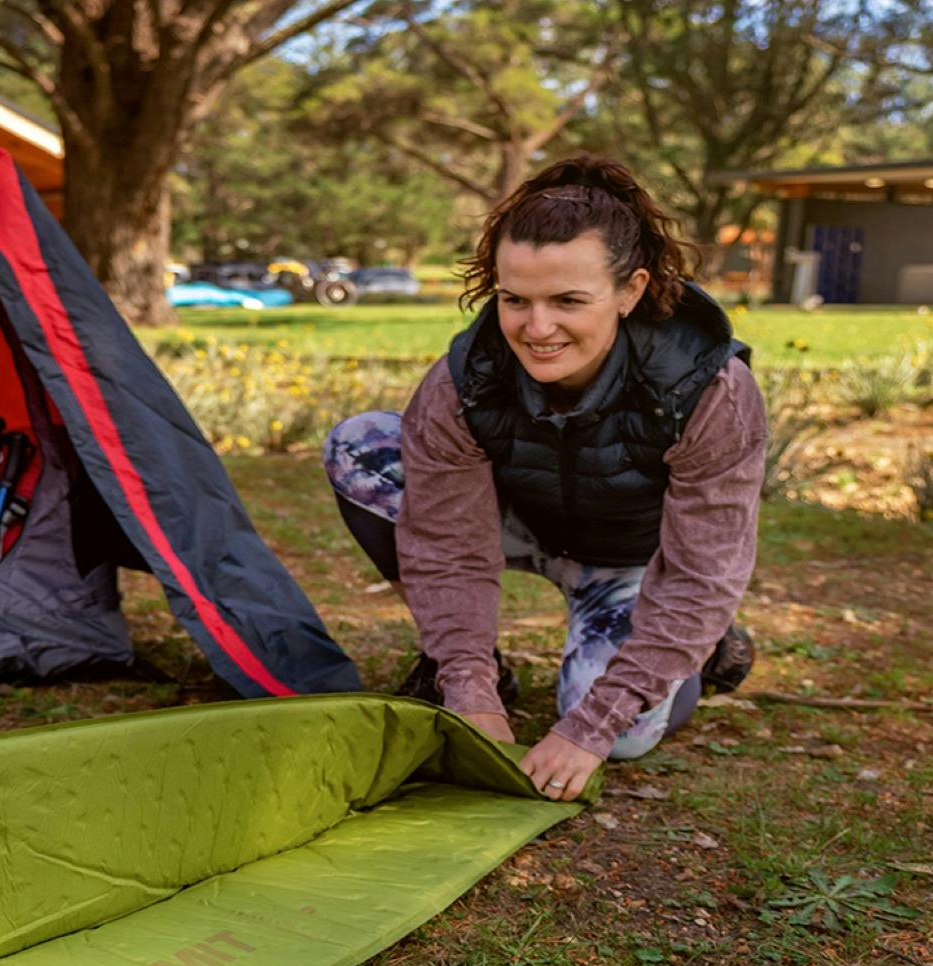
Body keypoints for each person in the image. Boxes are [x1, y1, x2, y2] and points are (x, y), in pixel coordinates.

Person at [322, 155, 763, 803]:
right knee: (360, 445)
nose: (536, 328)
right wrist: (466, 685)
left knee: (624, 734)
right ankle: (469, 664)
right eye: (514, 300)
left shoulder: (709, 390)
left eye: (567, 301)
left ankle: (694, 645)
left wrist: (591, 725)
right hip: (515, 525)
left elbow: (702, 572)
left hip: (631, 560)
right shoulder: (462, 382)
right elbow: (445, 545)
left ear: (631, 290)